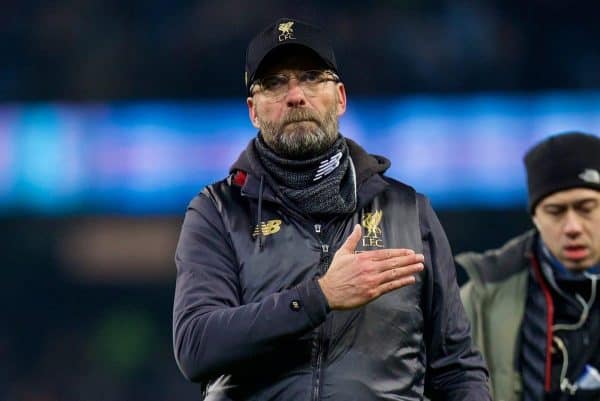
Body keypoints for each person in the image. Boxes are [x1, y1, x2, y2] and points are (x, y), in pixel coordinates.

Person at [173, 17, 491, 401]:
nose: (295, 95)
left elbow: (457, 369)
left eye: (311, 77)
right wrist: (317, 297)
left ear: (340, 97)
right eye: (274, 83)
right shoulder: (218, 212)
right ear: (253, 111)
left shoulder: (408, 212)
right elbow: (195, 346)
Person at [457, 132, 600, 401]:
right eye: (555, 211)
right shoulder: (480, 301)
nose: (572, 227)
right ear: (535, 217)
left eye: (586, 208)